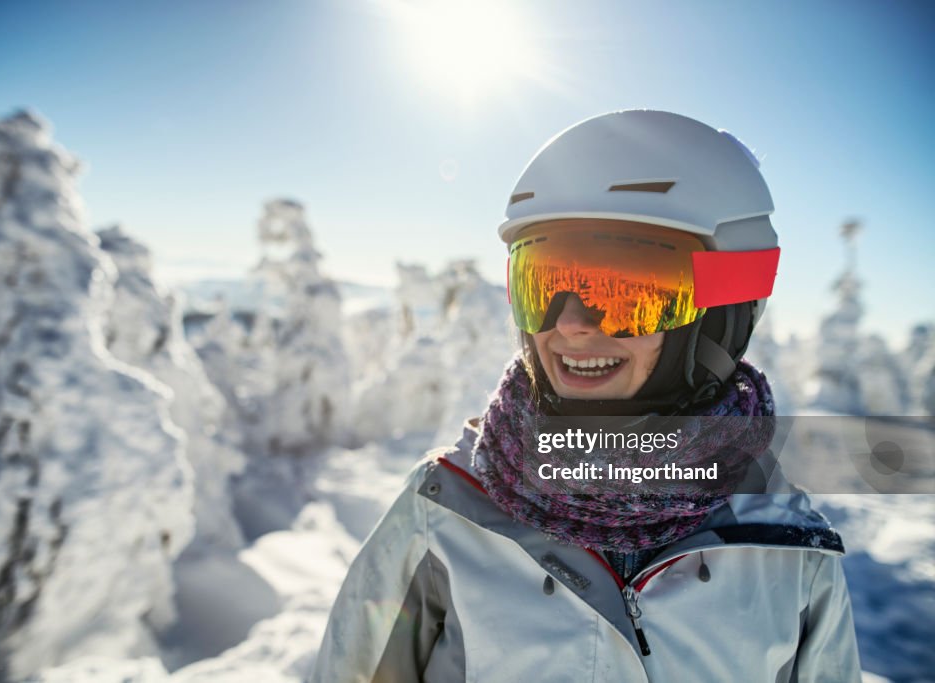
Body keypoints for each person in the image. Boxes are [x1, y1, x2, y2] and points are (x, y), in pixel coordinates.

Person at [310, 110, 861, 682]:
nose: (569, 324)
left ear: (724, 310)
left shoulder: (790, 549)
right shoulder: (445, 508)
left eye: (627, 292)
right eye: (542, 285)